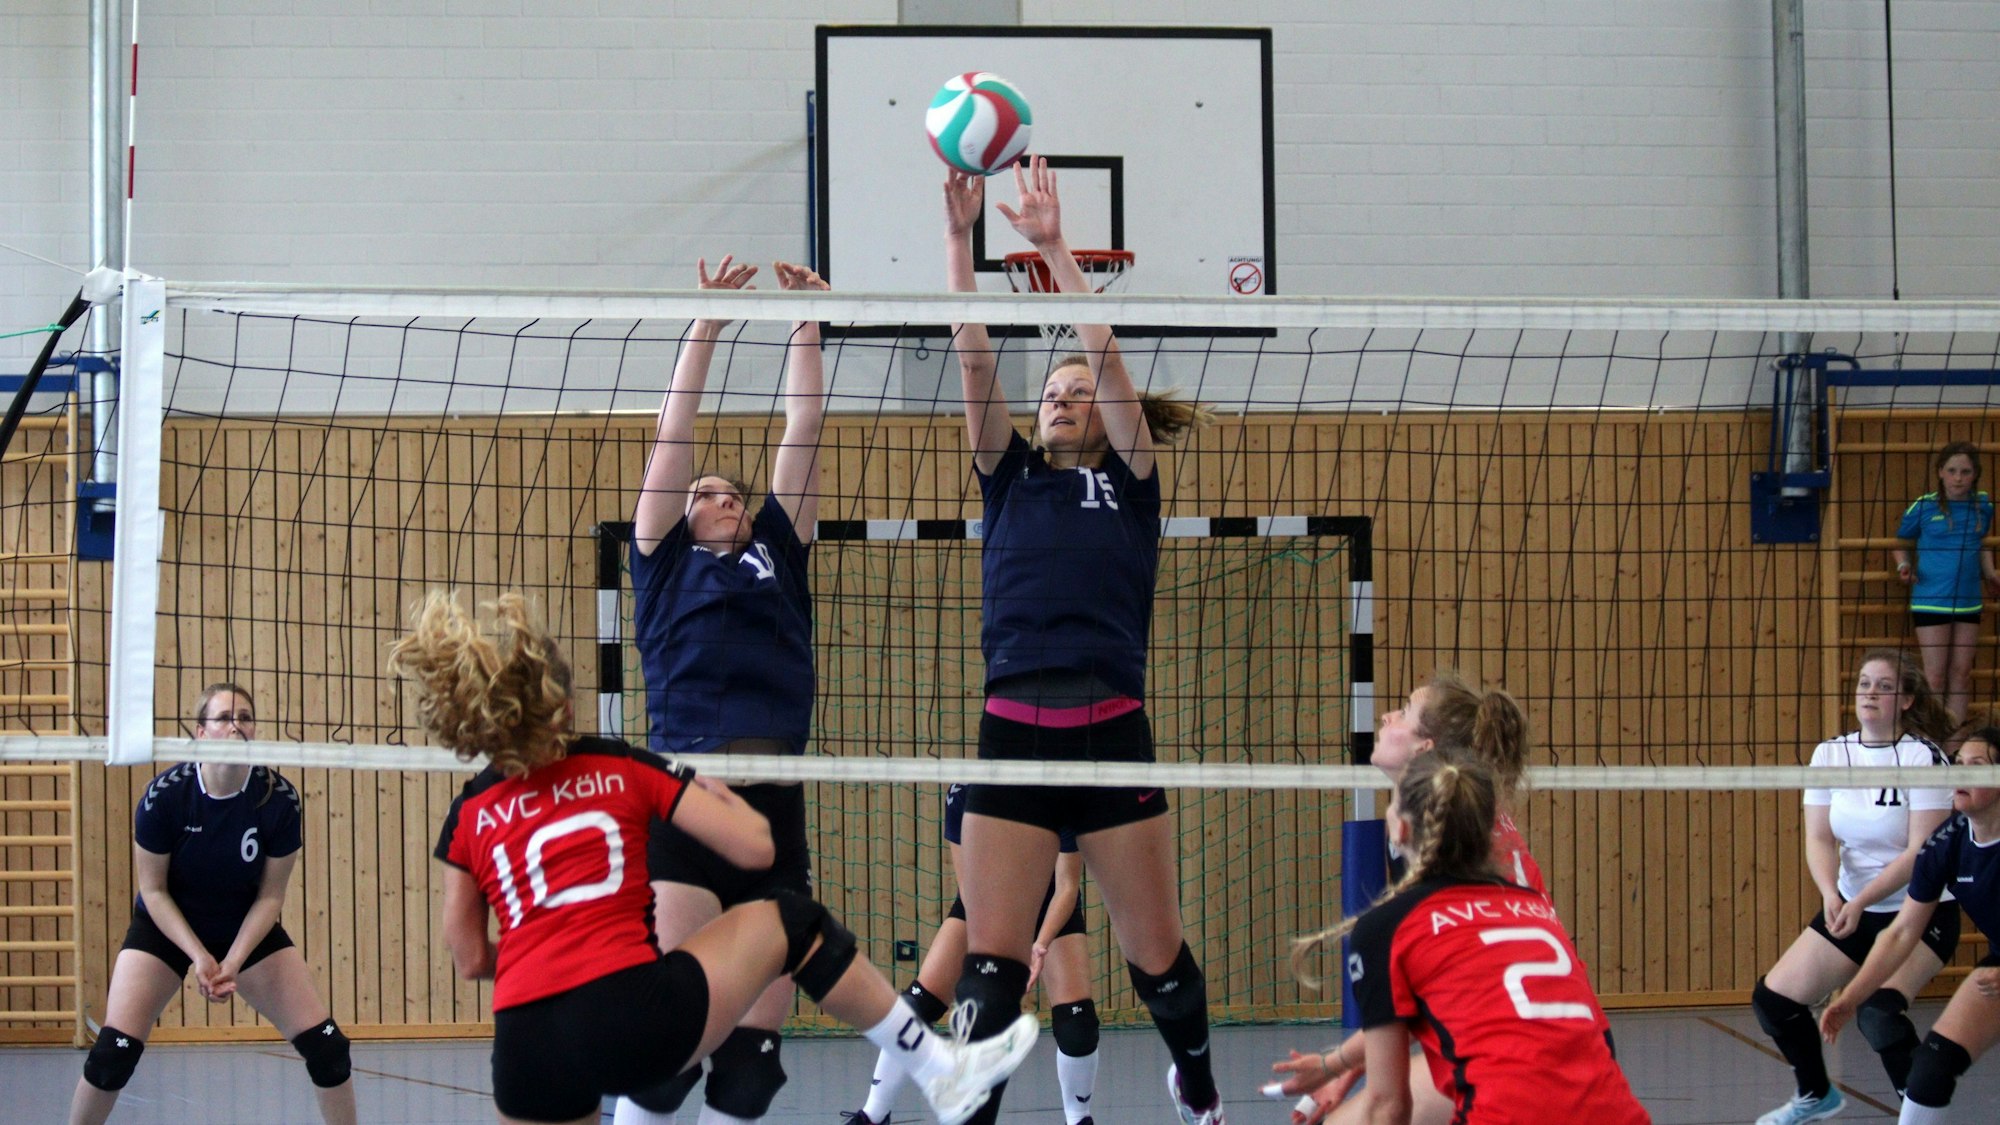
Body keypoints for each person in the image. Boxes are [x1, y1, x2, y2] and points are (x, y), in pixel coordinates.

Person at [399, 592, 1038, 1125]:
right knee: (792, 920)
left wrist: (544, 967)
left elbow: (469, 955)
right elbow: (757, 848)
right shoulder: (620, 763)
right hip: (630, 1014)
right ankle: (937, 1066)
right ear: (562, 704)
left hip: (525, 1041)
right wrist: (701, 784)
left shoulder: (472, 808)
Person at [943, 156, 1221, 1125]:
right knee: (988, 970)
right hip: (1012, 733)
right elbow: (973, 357)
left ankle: (1199, 1096)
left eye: (1074, 394)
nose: (1060, 399)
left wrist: (1051, 247)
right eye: (1049, 393)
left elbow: (1103, 355)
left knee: (1157, 961)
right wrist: (960, 239)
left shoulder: (1131, 482)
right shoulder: (1006, 475)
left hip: (1110, 733)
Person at [623, 257, 830, 1125]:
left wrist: (812, 323)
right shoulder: (663, 563)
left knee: (749, 1071)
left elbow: (805, 422)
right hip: (688, 801)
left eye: (731, 490)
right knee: (669, 1051)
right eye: (705, 492)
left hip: (774, 806)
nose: (721, 494)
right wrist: (705, 324)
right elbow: (676, 438)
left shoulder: (778, 551)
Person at [1289, 748, 1651, 1125]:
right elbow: (1600, 1043)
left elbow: (1388, 1107)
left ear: (1401, 829)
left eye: (1392, 803)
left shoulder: (1387, 926)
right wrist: (1338, 1064)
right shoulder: (1534, 905)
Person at [67, 683, 357, 1125]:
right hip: (167, 926)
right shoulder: (164, 797)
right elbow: (155, 891)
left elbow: (270, 896)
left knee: (329, 1048)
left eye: (244, 716)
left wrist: (234, 959)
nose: (236, 725)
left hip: (243, 926)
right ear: (201, 732)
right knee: (112, 1055)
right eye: (223, 717)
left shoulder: (277, 798)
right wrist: (199, 956)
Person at [1270, 673, 1543, 1125]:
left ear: (1425, 749)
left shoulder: (1444, 849)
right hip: (1548, 1043)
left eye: (1404, 711)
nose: (1387, 714)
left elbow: (1390, 1100)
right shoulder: (1459, 822)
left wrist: (1344, 1067)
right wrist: (1340, 1067)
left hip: (1511, 1061)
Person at [1749, 649, 1958, 1124]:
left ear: (1905, 700)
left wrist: (1860, 900)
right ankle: (1816, 1094)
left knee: (1877, 1014)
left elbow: (1921, 852)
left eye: (1884, 686)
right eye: (1864, 684)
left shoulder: (1923, 757)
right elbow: (1819, 837)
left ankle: (1918, 1115)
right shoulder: (1831, 753)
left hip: (1920, 909)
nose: (1870, 694)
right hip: (1852, 904)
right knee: (1774, 1001)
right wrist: (1831, 895)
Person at [844, 784, 1100, 1125]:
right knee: (916, 1007)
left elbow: (1066, 887)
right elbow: (968, 888)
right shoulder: (967, 792)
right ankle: (873, 1114)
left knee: (1077, 1024)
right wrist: (1000, 950)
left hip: (1048, 905)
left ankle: (1078, 1118)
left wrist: (1039, 944)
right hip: (984, 901)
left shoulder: (1060, 793)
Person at [1823, 726, 2000, 1124]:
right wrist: (1851, 999)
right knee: (1930, 1072)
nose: (1960, 774)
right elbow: (1902, 932)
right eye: (1958, 764)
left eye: (1978, 765)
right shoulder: (1947, 843)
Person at [1895, 440, 1999, 722]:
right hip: (1931, 599)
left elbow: (1982, 543)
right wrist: (1904, 565)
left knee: (1962, 675)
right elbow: (1900, 542)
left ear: (1975, 474)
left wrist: (1990, 573)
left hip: (1968, 601)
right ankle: (1932, 742)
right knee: (1935, 676)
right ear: (1940, 472)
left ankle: (1954, 747)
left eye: (1965, 472)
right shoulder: (1924, 506)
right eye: (1952, 470)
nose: (1958, 478)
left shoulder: (1983, 505)